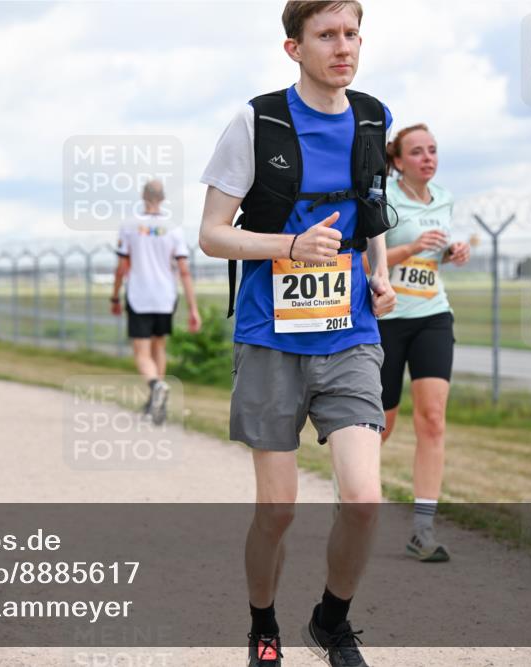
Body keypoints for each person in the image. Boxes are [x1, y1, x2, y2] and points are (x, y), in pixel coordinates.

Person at [198, 2, 396, 665]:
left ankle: (331, 621)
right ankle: (263, 624)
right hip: (271, 338)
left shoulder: (373, 116)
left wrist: (381, 272)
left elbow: (371, 212)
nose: (344, 47)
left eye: (352, 34)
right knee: (277, 511)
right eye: (328, 36)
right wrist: (288, 243)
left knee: (364, 499)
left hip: (349, 333)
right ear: (294, 48)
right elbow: (212, 233)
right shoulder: (256, 122)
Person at [379, 124, 470, 563]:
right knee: (380, 425)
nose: (427, 158)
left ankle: (422, 528)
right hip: (386, 320)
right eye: (417, 152)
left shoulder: (445, 199)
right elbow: (365, 260)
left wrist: (453, 252)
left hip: (433, 314)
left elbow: (434, 260)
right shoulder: (384, 200)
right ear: (398, 161)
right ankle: (351, 501)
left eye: (433, 150)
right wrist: (411, 246)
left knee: (432, 420)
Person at [110, 180, 201, 424]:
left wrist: (114, 296)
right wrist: (193, 308)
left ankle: (155, 386)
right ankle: (156, 402)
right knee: (158, 347)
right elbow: (184, 270)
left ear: (143, 196)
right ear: (162, 198)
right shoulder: (173, 228)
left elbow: (122, 267)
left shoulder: (130, 226)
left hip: (140, 295)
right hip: (165, 296)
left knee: (141, 351)